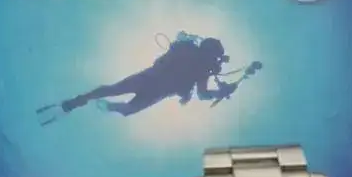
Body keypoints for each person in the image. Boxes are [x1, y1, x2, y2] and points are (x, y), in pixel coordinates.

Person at [37, 32, 260, 125]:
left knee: (125, 106)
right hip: (152, 82)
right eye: (214, 55)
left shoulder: (201, 67)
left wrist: (219, 90)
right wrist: (220, 91)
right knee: (117, 94)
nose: (215, 60)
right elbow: (202, 93)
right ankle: (81, 101)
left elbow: (201, 93)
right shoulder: (191, 54)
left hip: (154, 87)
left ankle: (97, 104)